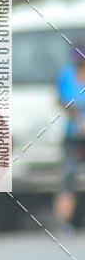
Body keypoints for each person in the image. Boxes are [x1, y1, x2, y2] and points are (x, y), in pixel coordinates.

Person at [53, 45, 85, 232]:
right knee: (67, 176)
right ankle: (63, 222)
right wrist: (75, 116)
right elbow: (61, 99)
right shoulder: (66, 74)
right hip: (73, 133)